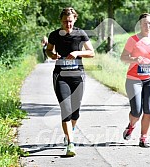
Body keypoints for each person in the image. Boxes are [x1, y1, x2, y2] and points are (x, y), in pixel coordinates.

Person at [46, 7, 94, 156]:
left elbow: (91, 53)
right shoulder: (54, 35)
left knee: (75, 112)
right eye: (65, 22)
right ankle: (70, 143)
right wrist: (52, 55)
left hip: (78, 77)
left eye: (70, 21)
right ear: (61, 21)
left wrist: (77, 52)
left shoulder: (80, 34)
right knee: (65, 108)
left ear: (75, 20)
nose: (68, 25)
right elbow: (48, 50)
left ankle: (70, 131)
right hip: (60, 77)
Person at [120, 13, 150, 148]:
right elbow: (123, 57)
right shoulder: (132, 40)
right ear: (140, 25)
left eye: (149, 23)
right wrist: (133, 59)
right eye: (144, 23)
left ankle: (143, 138)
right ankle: (131, 126)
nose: (147, 26)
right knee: (136, 111)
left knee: (149, 109)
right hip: (134, 79)